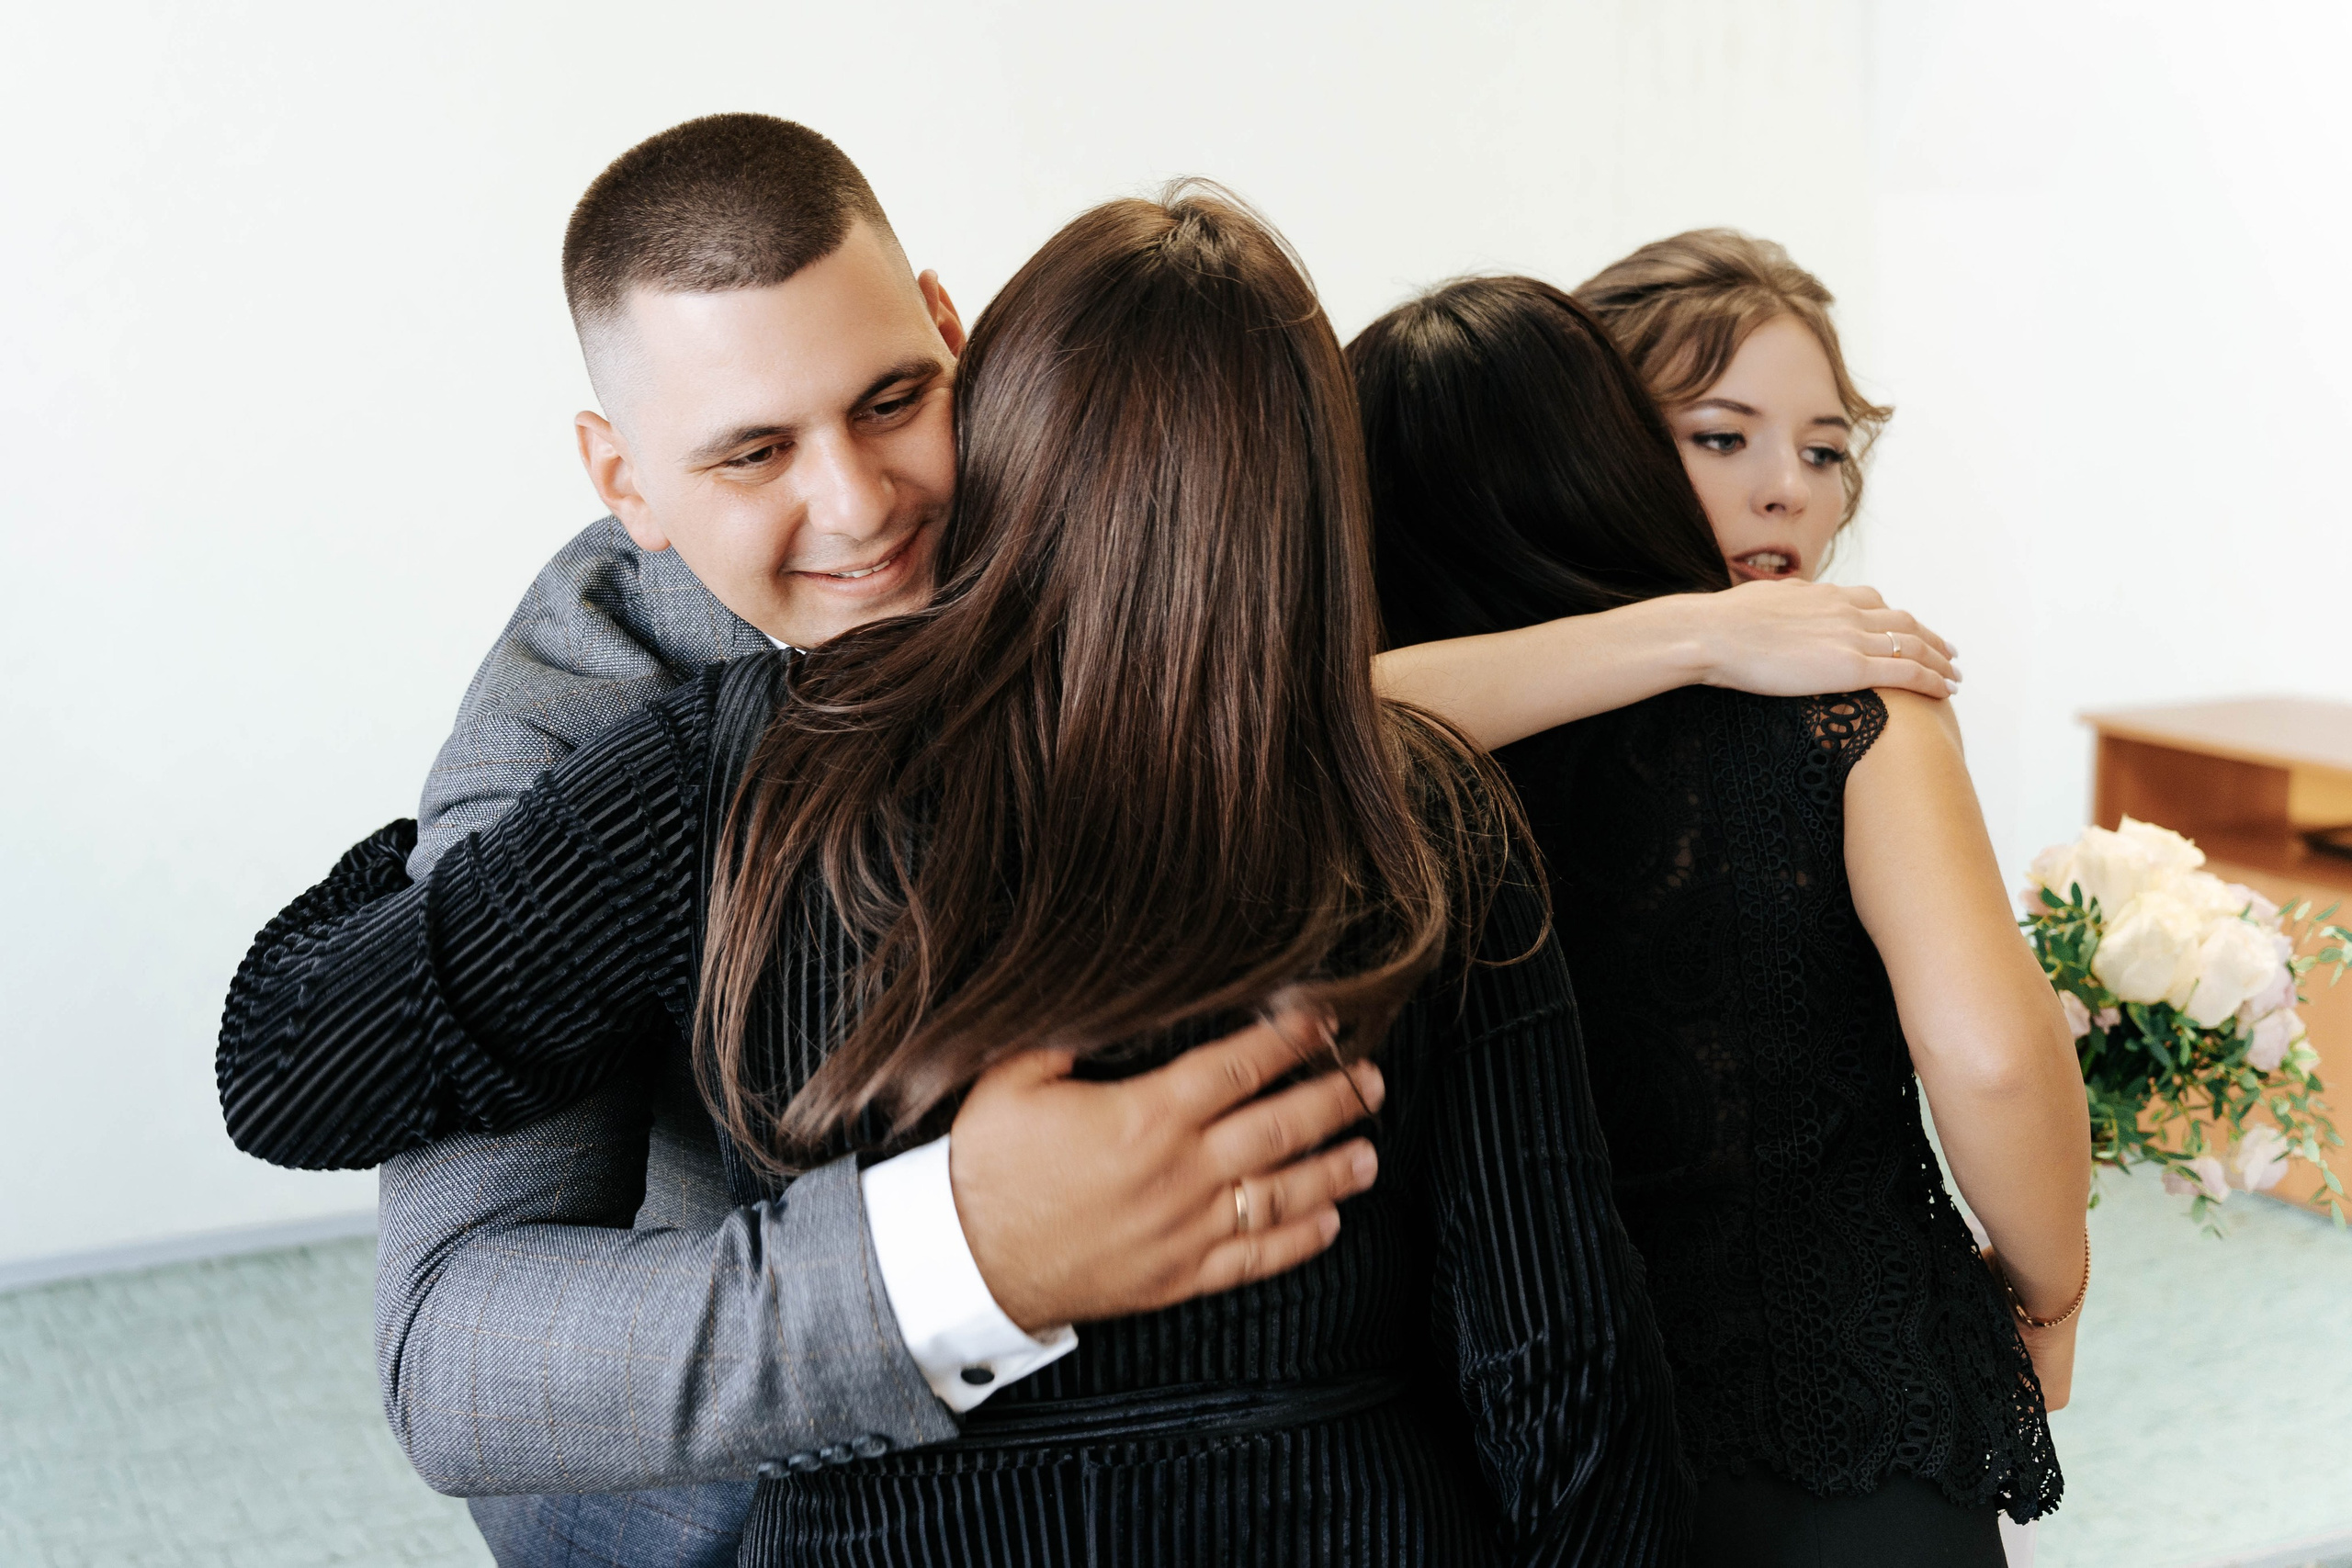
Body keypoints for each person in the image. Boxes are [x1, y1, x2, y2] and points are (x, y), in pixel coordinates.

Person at [219, 118, 1960, 1567]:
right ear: (626, 478)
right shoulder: (610, 737)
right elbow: (442, 1341)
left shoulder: (1332, 752)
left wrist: (1683, 635)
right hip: (719, 1496)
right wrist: (959, 1251)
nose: (864, 505)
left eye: (897, 401)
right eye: (753, 452)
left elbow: (1549, 1354)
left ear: (966, 340)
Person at [1349, 272, 2092, 1567]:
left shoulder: (1397, 758)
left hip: (1520, 1448)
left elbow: (1317, 720)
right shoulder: (1856, 711)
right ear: (1606, 440)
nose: (1786, 490)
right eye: (1718, 436)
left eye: (1823, 451)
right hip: (1839, 1413)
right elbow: (1993, 1056)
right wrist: (2055, 1283)